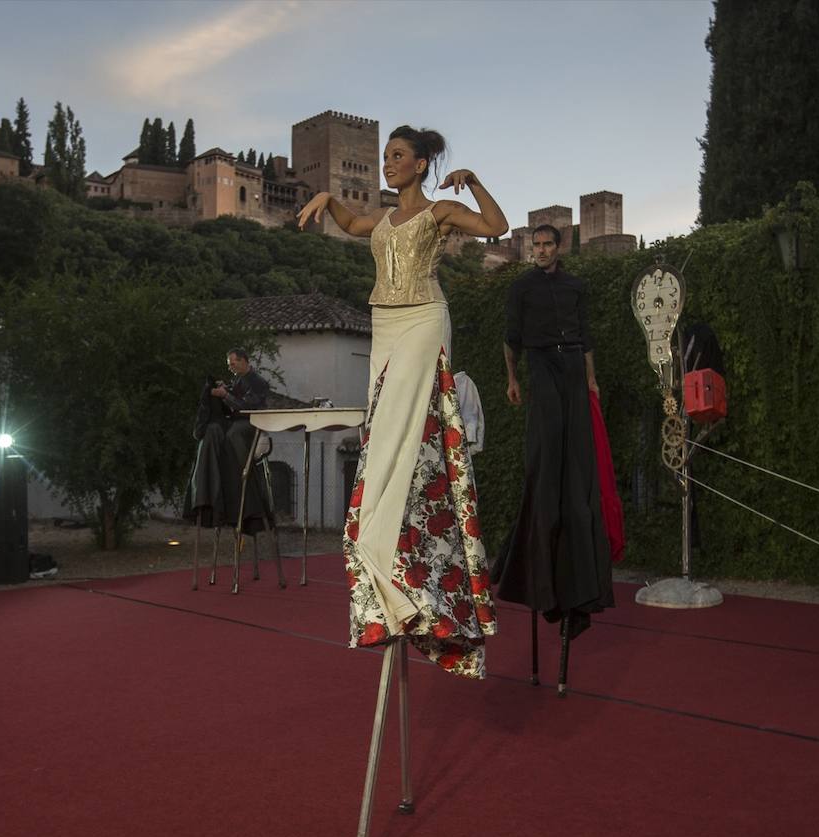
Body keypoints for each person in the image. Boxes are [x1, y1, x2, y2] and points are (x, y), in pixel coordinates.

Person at [297, 125, 508, 678]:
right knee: (383, 429)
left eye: (397, 157)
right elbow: (349, 222)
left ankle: (396, 541)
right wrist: (326, 198)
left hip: (423, 319)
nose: (387, 164)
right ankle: (382, 542)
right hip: (384, 324)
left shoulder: (437, 212)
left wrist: (477, 181)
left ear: (420, 165)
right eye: (385, 156)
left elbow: (496, 226)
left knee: (409, 426)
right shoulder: (383, 220)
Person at [493, 224, 614, 692]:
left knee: (577, 462)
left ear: (559, 248)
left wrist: (592, 381)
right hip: (541, 367)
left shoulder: (576, 287)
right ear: (530, 250)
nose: (542, 251)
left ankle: (576, 529)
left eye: (548, 245)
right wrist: (512, 378)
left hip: (571, 369)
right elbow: (511, 339)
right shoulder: (520, 288)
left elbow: (585, 340)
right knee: (546, 456)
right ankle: (544, 525)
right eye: (536, 246)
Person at [184, 348, 271, 532]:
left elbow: (245, 406)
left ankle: (242, 466)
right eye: (229, 364)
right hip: (240, 421)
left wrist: (225, 395)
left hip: (252, 422)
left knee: (232, 434)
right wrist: (227, 389)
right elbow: (237, 395)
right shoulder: (239, 379)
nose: (231, 367)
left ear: (244, 361)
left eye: (233, 363)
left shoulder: (258, 382)